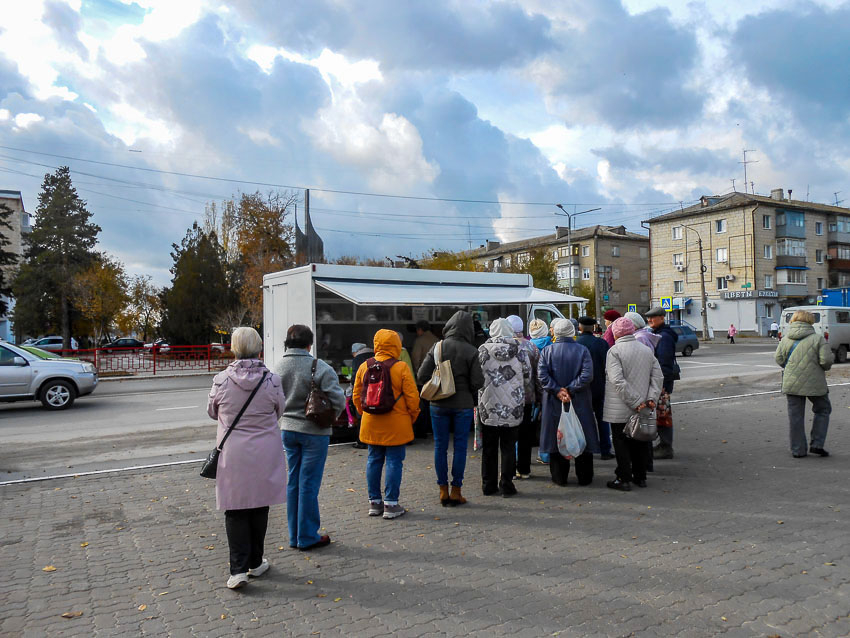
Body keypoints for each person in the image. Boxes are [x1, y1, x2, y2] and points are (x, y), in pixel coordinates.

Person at [207, 327, 287, 590]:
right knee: (259, 505)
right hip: (265, 450)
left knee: (236, 508)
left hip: (233, 452)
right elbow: (279, 409)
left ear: (233, 347)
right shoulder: (272, 379)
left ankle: (238, 571)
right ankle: (256, 562)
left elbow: (212, 411)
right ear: (259, 346)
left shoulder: (221, 380)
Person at [276, 325, 345, 553]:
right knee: (309, 484)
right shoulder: (320, 367)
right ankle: (306, 536)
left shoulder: (278, 367)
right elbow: (339, 400)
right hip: (314, 432)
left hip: (288, 430)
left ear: (287, 343)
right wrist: (330, 417)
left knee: (293, 481)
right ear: (309, 344)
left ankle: (294, 535)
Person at [417, 310, 484, 506]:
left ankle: (442, 490)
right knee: (460, 447)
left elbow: (421, 375)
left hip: (438, 404)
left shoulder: (438, 347)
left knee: (440, 446)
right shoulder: (472, 351)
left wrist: (438, 379)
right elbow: (478, 381)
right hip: (462, 405)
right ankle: (456, 490)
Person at [353, 330, 420, 519]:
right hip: (396, 423)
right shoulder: (401, 367)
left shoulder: (365, 366)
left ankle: (374, 502)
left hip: (371, 422)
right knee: (393, 461)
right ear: (396, 345)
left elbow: (357, 395)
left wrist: (363, 413)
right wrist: (412, 417)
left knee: (373, 460)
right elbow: (412, 397)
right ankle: (391, 504)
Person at [603, 318, 664, 491]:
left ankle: (623, 478)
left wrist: (636, 402)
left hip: (621, 406)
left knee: (621, 443)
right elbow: (658, 377)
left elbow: (617, 381)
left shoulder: (614, 351)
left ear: (615, 333)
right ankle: (640, 476)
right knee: (640, 441)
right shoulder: (646, 350)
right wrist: (650, 399)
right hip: (644, 406)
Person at [538, 319, 600, 486]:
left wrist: (558, 390)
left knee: (555, 437)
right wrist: (571, 389)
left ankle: (559, 477)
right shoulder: (582, 350)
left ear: (555, 333)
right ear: (572, 332)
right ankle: (585, 477)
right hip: (579, 399)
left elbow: (542, 376)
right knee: (582, 434)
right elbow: (587, 375)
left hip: (554, 400)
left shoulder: (547, 351)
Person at [477, 318, 531, 497]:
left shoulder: (482, 350)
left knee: (489, 447)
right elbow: (528, 376)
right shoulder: (520, 351)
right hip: (513, 406)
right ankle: (507, 485)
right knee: (508, 446)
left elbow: (476, 377)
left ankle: (488, 485)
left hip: (488, 404)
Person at [775, 310, 833, 458]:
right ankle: (817, 444)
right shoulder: (818, 339)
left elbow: (779, 359)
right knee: (823, 409)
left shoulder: (785, 339)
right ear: (810, 321)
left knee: (795, 416)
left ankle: (798, 450)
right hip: (815, 383)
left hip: (792, 383)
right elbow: (825, 361)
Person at [576, 316, 613, 460]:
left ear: (579, 328)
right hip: (599, 387)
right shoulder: (601, 343)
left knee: (583, 419)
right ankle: (605, 450)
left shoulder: (577, 344)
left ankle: (587, 449)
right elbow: (608, 365)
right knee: (603, 419)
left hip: (582, 388)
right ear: (593, 328)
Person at [645, 307, 679, 460]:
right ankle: (663, 445)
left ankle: (666, 447)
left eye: (653, 317)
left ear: (662, 318)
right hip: (661, 381)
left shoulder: (663, 337)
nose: (650, 320)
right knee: (660, 413)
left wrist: (661, 384)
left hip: (662, 382)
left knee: (663, 413)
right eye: (648, 318)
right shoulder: (659, 334)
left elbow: (663, 362)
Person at [349, 342, 374, 449]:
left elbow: (355, 378)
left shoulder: (358, 359)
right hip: (376, 391)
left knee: (361, 416)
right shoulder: (375, 355)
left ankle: (362, 441)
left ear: (355, 352)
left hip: (363, 392)